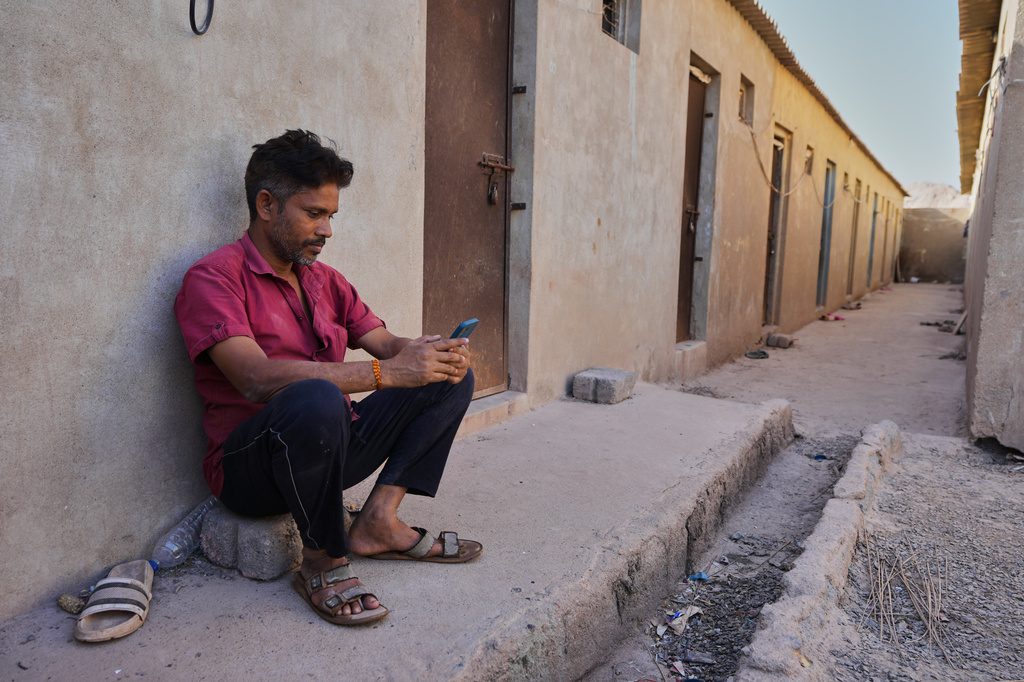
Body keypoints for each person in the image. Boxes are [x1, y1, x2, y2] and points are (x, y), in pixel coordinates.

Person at [174, 130, 480, 626]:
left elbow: (386, 344)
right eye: (314, 214)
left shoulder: (325, 280)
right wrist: (384, 374)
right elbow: (253, 378)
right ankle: (321, 561)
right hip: (251, 471)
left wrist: (431, 353)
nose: (327, 230)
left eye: (331, 216)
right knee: (314, 396)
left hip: (331, 448)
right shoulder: (213, 278)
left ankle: (377, 521)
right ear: (267, 205)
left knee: (448, 379)